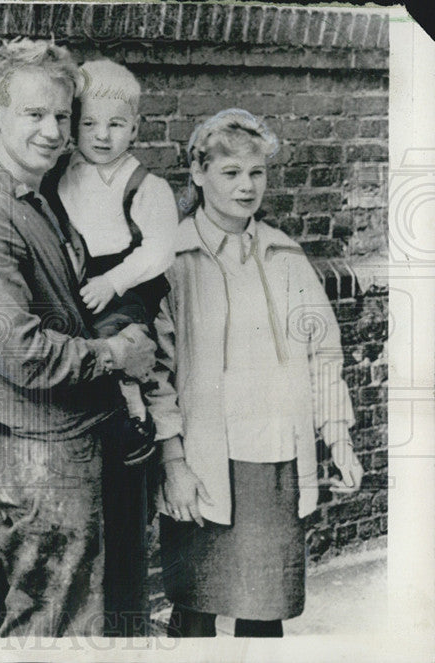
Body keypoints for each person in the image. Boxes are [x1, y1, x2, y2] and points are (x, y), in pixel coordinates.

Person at [0, 38, 158, 637]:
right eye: (34, 114)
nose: (53, 130)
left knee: (83, 618)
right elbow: (20, 351)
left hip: (76, 442)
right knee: (48, 624)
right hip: (44, 455)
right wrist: (114, 353)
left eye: (62, 116)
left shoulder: (35, 199)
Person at [145, 109, 364, 638]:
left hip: (274, 463)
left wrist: (338, 438)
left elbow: (323, 353)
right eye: (230, 173)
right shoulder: (171, 260)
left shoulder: (285, 257)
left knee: (264, 611)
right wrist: (174, 461)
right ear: (198, 174)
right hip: (203, 462)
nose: (247, 186)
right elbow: (154, 373)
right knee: (195, 608)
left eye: (256, 173)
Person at [39, 58, 180, 635]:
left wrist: (114, 282)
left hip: (124, 287)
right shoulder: (63, 176)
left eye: (116, 125)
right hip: (78, 289)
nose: (102, 136)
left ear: (135, 126)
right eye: (90, 124)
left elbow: (161, 251)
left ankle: (133, 403)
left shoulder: (146, 186)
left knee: (115, 344)